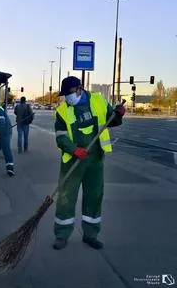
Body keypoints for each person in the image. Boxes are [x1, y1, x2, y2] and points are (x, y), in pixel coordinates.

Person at [53, 76, 125, 250]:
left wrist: (118, 114)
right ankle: (62, 235)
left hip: (95, 158)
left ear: (80, 89)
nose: (67, 98)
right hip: (73, 161)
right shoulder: (62, 111)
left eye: (69, 93)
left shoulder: (98, 100)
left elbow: (110, 121)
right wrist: (73, 149)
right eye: (65, 95)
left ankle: (91, 234)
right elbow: (61, 136)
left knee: (94, 196)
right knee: (66, 198)